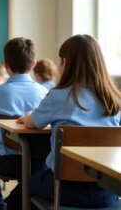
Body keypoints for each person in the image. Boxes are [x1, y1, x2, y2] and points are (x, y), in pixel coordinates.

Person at [15, 34, 121, 209]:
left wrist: (28, 115)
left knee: (24, 185)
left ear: (64, 61)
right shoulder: (114, 100)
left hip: (65, 189)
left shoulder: (58, 96)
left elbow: (31, 123)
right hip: (108, 191)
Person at [0, 37, 48, 209]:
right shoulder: (45, 92)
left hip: (8, 161)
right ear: (33, 64)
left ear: (6, 65)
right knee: (32, 177)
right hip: (41, 164)